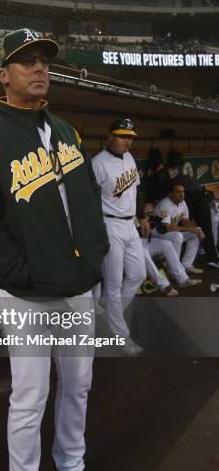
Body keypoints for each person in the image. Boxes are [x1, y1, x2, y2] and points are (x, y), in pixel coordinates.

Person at [0, 28, 123, 471]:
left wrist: (93, 258)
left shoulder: (69, 132)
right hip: (28, 294)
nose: (39, 68)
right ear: (3, 75)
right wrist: (22, 274)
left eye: (44, 60)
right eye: (25, 61)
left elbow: (87, 207)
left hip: (76, 285)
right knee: (30, 398)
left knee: (78, 386)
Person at [92, 119, 147, 355]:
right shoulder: (98, 163)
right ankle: (120, 335)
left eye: (130, 136)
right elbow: (88, 201)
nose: (127, 140)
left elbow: (137, 190)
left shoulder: (130, 158)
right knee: (113, 284)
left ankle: (111, 316)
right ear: (110, 136)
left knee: (138, 274)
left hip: (130, 223)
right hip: (110, 224)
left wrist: (142, 216)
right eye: (122, 135)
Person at [152, 182, 205, 276]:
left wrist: (197, 230)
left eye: (183, 192)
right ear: (171, 194)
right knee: (177, 236)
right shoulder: (165, 204)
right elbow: (167, 227)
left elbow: (186, 221)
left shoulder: (182, 203)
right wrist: (190, 229)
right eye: (178, 192)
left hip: (170, 232)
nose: (181, 194)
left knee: (194, 235)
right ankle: (173, 269)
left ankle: (186, 265)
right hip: (157, 232)